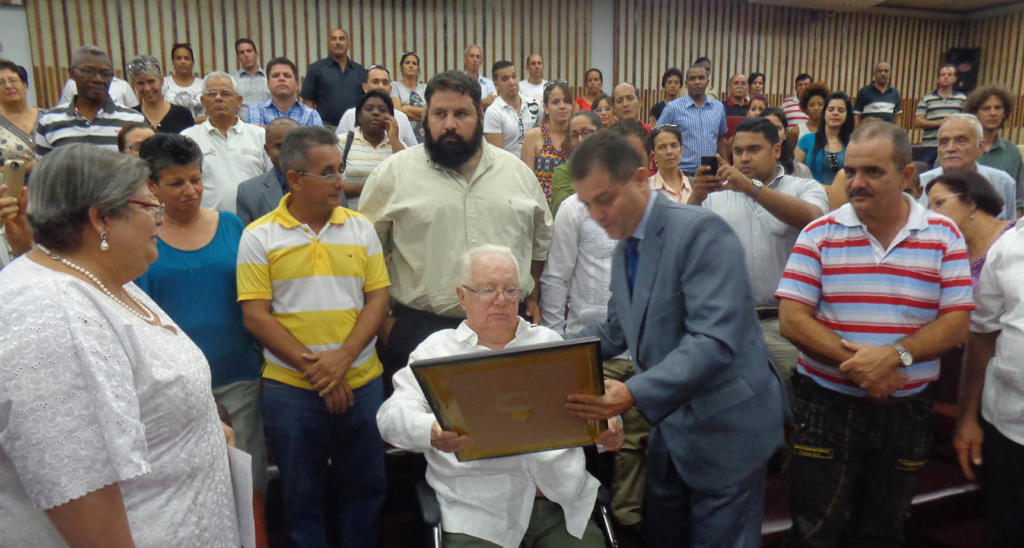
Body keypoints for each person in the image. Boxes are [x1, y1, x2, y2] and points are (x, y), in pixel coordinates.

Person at [0, 144, 239, 547]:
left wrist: (199, 428)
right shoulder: (51, 315)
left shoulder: (105, 279)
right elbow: (78, 490)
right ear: (101, 218)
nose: (159, 220)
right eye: (149, 206)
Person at [563, 130, 787, 547]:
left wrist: (630, 392)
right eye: (587, 204)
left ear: (637, 179)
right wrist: (544, 353)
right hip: (674, 425)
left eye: (605, 199)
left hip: (728, 427)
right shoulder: (626, 247)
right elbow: (614, 331)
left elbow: (714, 342)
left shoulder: (700, 231)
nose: (597, 215)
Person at [776, 122, 973, 548]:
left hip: (906, 409)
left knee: (884, 531)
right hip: (826, 405)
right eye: (850, 171)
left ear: (907, 177)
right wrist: (864, 367)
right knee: (814, 532)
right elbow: (792, 319)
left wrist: (895, 356)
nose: (856, 183)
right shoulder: (819, 234)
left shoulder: (943, 235)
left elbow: (957, 321)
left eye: (873, 172)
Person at [378, 245, 622, 548]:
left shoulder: (549, 344)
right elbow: (390, 417)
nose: (501, 300)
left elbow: (596, 407)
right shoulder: (436, 352)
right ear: (462, 296)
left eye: (510, 290)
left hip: (558, 502)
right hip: (479, 513)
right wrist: (431, 430)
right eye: (487, 290)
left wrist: (609, 424)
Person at [238, 126, 389, 548]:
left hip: (362, 381)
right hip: (292, 390)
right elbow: (256, 316)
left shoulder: (361, 229)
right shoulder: (259, 236)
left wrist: (342, 359)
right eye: (327, 172)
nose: (339, 181)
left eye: (339, 170)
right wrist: (322, 371)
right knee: (302, 495)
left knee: (365, 488)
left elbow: (378, 300)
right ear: (295, 179)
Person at [358, 71, 552, 389]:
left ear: (479, 116)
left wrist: (531, 296)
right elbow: (364, 251)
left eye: (461, 113)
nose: (450, 124)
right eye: (440, 114)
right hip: (418, 330)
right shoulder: (393, 173)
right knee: (423, 434)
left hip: (507, 330)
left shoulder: (517, 174)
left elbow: (540, 242)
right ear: (425, 118)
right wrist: (382, 321)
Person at [134, 133, 267, 530]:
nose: (190, 191)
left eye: (196, 179)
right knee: (191, 491)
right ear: (151, 185)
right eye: (176, 183)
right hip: (172, 390)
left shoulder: (230, 226)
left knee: (249, 481)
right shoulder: (142, 236)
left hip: (238, 378)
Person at [541, 140, 650, 533]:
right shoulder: (579, 212)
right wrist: (555, 346)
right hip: (596, 341)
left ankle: (634, 517)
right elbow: (556, 277)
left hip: (654, 352)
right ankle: (620, 521)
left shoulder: (667, 220)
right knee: (614, 433)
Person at [688, 117, 827, 391]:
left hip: (787, 326)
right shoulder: (716, 196)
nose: (743, 158)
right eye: (737, 151)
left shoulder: (803, 187)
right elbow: (680, 241)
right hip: (731, 325)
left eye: (754, 149)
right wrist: (696, 196)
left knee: (793, 412)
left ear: (776, 150)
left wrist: (752, 188)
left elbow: (812, 219)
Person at [953, 213, 1024, 547]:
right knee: (1006, 531)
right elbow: (982, 336)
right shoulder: (1009, 245)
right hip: (1010, 426)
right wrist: (968, 417)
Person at [180, 72, 270, 214]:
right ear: (203, 101)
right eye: (211, 94)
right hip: (209, 225)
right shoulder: (188, 138)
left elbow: (271, 180)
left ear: (239, 100)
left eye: (225, 93)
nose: (218, 98)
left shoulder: (259, 135)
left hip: (256, 222)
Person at [35, 46, 145, 155]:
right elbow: (43, 170)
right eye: (88, 71)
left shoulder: (135, 121)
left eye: (105, 73)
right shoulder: (49, 122)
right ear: (72, 73)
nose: (98, 79)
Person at [917, 114, 1017, 221]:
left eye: (960, 140)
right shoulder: (920, 184)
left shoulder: (1003, 183)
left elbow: (1010, 231)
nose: (950, 148)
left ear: (980, 147)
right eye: (944, 142)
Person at [925, 169, 1013, 288]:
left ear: (971, 202)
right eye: (929, 208)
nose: (932, 214)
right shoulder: (956, 251)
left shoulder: (1015, 238)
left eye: (939, 203)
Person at [656, 64, 728, 177]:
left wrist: (726, 165)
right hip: (682, 174)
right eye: (693, 79)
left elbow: (720, 139)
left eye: (701, 78)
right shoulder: (673, 108)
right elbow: (657, 136)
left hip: (712, 174)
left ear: (707, 82)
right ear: (686, 83)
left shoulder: (718, 107)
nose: (697, 82)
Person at [236, 117, 307, 225]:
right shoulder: (249, 192)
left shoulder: (325, 184)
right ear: (267, 150)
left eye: (294, 145)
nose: (288, 152)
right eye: (280, 146)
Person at [962, 84, 1023, 209]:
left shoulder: (1012, 152)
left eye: (998, 108)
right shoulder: (959, 148)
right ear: (975, 113)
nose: (993, 113)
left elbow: (1019, 198)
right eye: (986, 108)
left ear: (1004, 113)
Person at [341, 90, 403, 210]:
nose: (375, 113)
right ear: (359, 115)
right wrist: (366, 188)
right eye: (369, 109)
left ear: (391, 117)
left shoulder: (398, 145)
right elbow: (331, 185)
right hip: (351, 220)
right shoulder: (342, 142)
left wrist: (394, 139)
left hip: (389, 221)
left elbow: (406, 178)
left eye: (382, 110)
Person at [334, 65, 418, 148]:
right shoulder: (350, 115)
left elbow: (413, 152)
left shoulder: (401, 118)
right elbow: (336, 148)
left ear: (390, 89)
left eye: (385, 83)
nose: (380, 87)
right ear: (365, 88)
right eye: (375, 82)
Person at [301, 28, 367, 126]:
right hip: (325, 127)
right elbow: (308, 101)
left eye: (341, 39)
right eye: (333, 39)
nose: (338, 42)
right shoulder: (316, 68)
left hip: (355, 127)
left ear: (349, 44)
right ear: (328, 45)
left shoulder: (360, 70)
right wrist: (313, 126)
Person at [522, 81, 572, 200]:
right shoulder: (533, 136)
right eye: (555, 102)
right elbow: (526, 182)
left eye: (566, 101)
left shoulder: (578, 134)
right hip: (542, 207)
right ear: (546, 108)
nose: (562, 106)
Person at [483, 60, 542, 157]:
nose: (512, 82)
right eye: (505, 79)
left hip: (534, 167)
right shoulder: (493, 112)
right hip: (508, 169)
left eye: (514, 77)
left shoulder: (534, 104)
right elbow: (497, 157)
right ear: (496, 85)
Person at [246, 56, 323, 127]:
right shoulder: (256, 110)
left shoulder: (311, 114)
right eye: (276, 75)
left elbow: (319, 142)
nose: (281, 79)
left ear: (297, 85)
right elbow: (255, 139)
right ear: (268, 84)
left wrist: (267, 132)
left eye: (287, 75)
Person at [549, 110, 600, 216]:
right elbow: (563, 207)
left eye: (586, 132)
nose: (580, 140)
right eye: (575, 135)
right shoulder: (563, 172)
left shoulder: (612, 167)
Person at [796, 91, 854, 185]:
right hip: (810, 196)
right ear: (824, 113)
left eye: (840, 110)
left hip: (842, 197)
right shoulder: (806, 140)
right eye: (831, 109)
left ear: (847, 115)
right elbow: (794, 176)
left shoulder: (853, 144)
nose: (835, 113)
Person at [125, 55, 194, 133]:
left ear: (161, 81)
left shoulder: (182, 115)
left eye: (151, 81)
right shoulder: (131, 116)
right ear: (134, 85)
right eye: (140, 83)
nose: (147, 88)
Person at [913, 64, 966, 166]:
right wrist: (940, 123)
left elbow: (966, 121)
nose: (945, 77)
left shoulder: (962, 99)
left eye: (949, 75)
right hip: (930, 145)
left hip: (953, 145)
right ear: (938, 79)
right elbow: (918, 121)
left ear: (955, 79)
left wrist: (951, 123)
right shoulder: (927, 98)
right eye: (943, 75)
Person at [0, 60, 40, 169]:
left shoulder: (49, 117)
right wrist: (23, 169)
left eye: (13, 80)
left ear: (25, 85)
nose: (8, 86)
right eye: (1, 83)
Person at [764, 107, 813, 178]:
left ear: (785, 133)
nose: (772, 132)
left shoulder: (800, 171)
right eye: (767, 128)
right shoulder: (750, 168)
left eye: (777, 128)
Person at [648, 124, 691, 203]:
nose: (669, 152)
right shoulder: (647, 188)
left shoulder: (694, 186)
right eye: (662, 147)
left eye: (674, 146)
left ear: (681, 151)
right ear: (653, 155)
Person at [163, 43, 205, 121]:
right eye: (178, 58)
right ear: (173, 62)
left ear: (193, 62)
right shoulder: (163, 84)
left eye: (187, 58)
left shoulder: (203, 84)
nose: (183, 62)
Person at [392, 51, 427, 143]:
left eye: (414, 63)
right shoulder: (394, 86)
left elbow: (430, 113)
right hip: (403, 134)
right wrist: (422, 114)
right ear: (401, 67)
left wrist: (406, 108)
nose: (411, 65)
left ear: (418, 68)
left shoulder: (425, 88)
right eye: (407, 63)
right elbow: (398, 112)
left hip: (425, 135)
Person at [233, 38, 271, 120]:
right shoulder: (232, 80)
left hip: (268, 126)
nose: (246, 55)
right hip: (242, 127)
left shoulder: (270, 77)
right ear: (238, 57)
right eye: (242, 52)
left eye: (249, 51)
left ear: (256, 54)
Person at [463, 45, 497, 109]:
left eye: (478, 57)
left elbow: (494, 101)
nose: (475, 59)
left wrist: (472, 104)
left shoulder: (488, 83)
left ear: (481, 62)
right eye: (472, 56)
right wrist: (484, 102)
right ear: (465, 59)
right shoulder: (458, 81)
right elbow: (460, 104)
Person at [724, 73, 750, 139]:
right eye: (736, 83)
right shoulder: (720, 108)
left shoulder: (752, 108)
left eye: (743, 83)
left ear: (747, 88)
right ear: (729, 88)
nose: (739, 86)